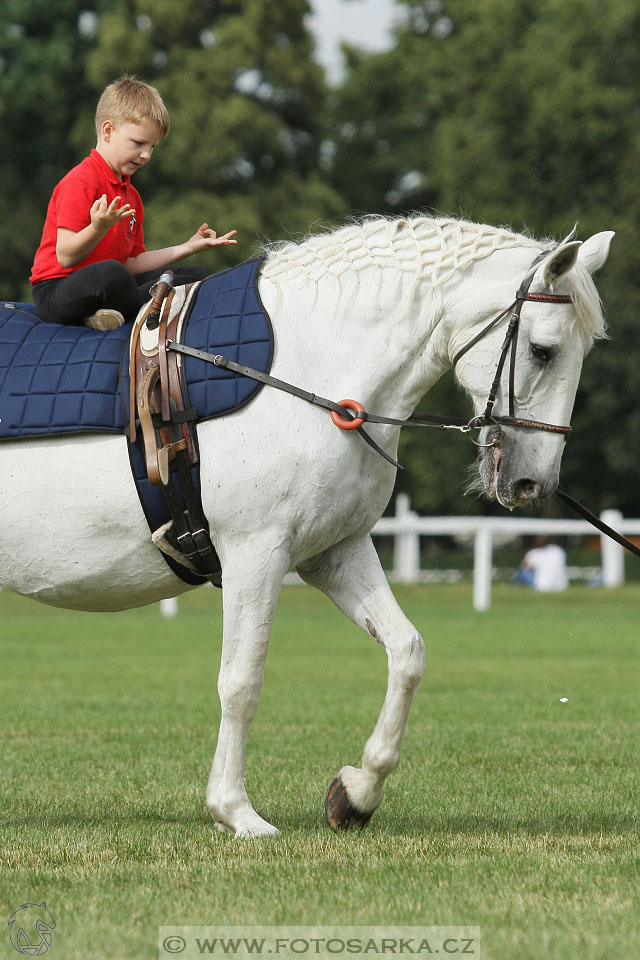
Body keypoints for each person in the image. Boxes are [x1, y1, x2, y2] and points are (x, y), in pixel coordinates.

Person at [30, 76, 237, 330]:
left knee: (194, 276)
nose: (146, 155)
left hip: (114, 285)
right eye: (138, 143)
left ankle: (110, 313)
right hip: (58, 290)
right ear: (108, 131)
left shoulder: (133, 197)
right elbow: (65, 256)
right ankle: (140, 306)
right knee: (113, 274)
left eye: (152, 147)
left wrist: (187, 247)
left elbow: (133, 262)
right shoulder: (81, 181)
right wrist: (98, 228)